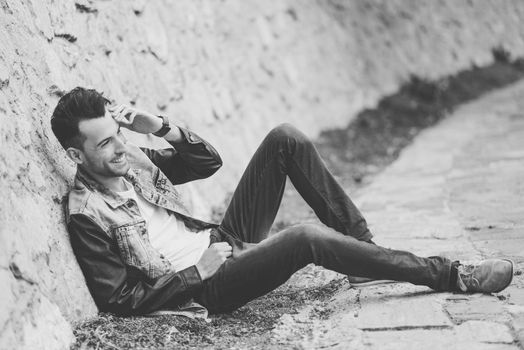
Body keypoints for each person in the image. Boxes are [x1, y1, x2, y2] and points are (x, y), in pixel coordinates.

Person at [50, 87, 513, 316]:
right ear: (75, 155)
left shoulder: (128, 158)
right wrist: (198, 272)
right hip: (209, 283)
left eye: (117, 134)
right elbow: (118, 298)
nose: (117, 147)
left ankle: (361, 252)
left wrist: (160, 127)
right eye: (104, 143)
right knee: (305, 238)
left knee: (284, 139)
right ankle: (451, 274)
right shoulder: (85, 213)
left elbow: (206, 162)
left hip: (223, 241)